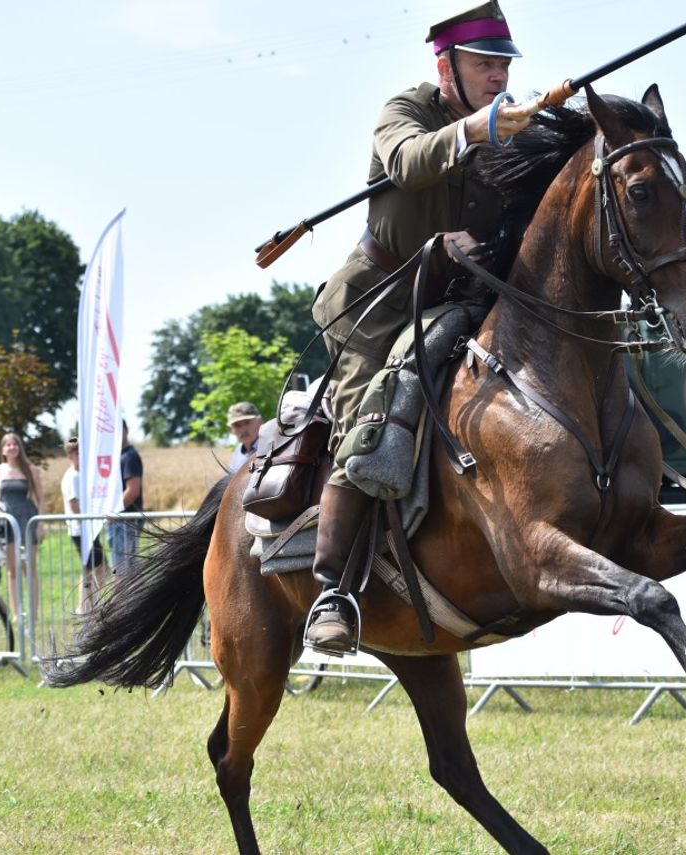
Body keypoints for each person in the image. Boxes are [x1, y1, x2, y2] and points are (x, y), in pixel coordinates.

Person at [304, 1, 533, 654]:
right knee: (370, 426)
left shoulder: (507, 127)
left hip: (457, 303)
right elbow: (409, 162)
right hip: (374, 305)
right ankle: (333, 590)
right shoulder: (403, 111)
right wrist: (481, 131)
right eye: (485, 64)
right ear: (446, 66)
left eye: (503, 66)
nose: (497, 76)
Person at [0, 432, 43, 622]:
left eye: (15, 444)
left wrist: (40, 524)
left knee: (30, 568)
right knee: (12, 569)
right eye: (8, 445)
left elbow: (40, 498)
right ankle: (16, 612)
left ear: (19, 447)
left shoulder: (30, 469)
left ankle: (34, 613)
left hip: (28, 519)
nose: (11, 447)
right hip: (8, 523)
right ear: (3, 449)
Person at [61, 437, 108, 612]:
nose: (80, 456)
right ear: (70, 456)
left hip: (87, 529)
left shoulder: (83, 474)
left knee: (94, 568)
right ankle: (85, 606)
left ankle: (88, 604)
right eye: (77, 453)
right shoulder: (72, 477)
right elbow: (74, 506)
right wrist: (90, 520)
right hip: (81, 530)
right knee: (98, 568)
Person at [108, 420, 144, 575]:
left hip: (125, 522)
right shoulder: (118, 456)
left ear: (126, 431)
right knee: (123, 571)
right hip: (120, 521)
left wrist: (113, 512)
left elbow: (132, 491)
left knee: (124, 573)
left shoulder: (129, 457)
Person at [227, 401, 263, 474]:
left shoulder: (271, 448)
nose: (243, 430)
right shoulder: (237, 452)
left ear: (259, 422)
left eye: (247, 422)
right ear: (231, 430)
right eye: (237, 425)